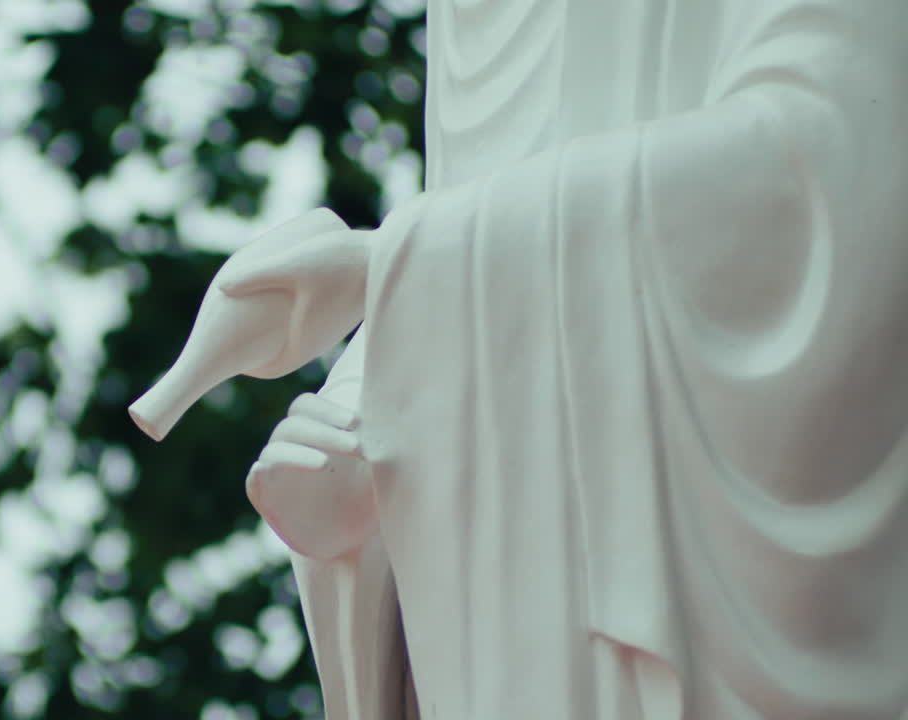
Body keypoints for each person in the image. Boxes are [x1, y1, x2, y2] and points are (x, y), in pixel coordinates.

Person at [224, 0, 908, 717]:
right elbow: (483, 250)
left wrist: (392, 267)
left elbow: (842, 155)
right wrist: (363, 423)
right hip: (509, 630)